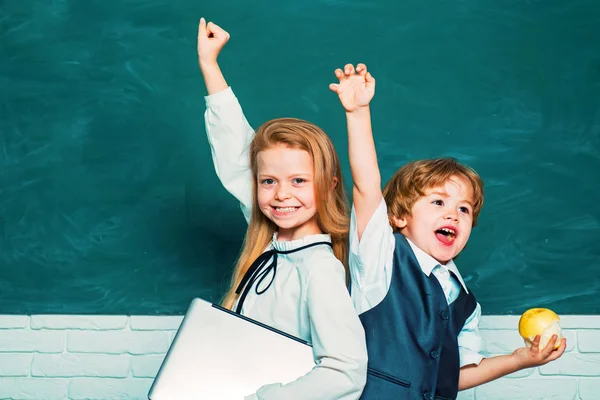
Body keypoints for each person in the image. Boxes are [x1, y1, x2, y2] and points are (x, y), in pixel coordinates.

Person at [329, 62, 567, 399]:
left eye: (464, 209)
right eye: (438, 203)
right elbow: (366, 186)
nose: (453, 215)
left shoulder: (464, 300)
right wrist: (358, 112)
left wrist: (520, 359)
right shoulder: (380, 258)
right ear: (398, 217)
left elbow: (452, 377)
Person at [196, 18, 368, 399]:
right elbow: (235, 153)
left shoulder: (319, 269)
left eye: (299, 181)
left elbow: (346, 373)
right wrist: (210, 65)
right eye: (268, 181)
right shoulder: (270, 241)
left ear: (329, 185)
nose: (281, 195)